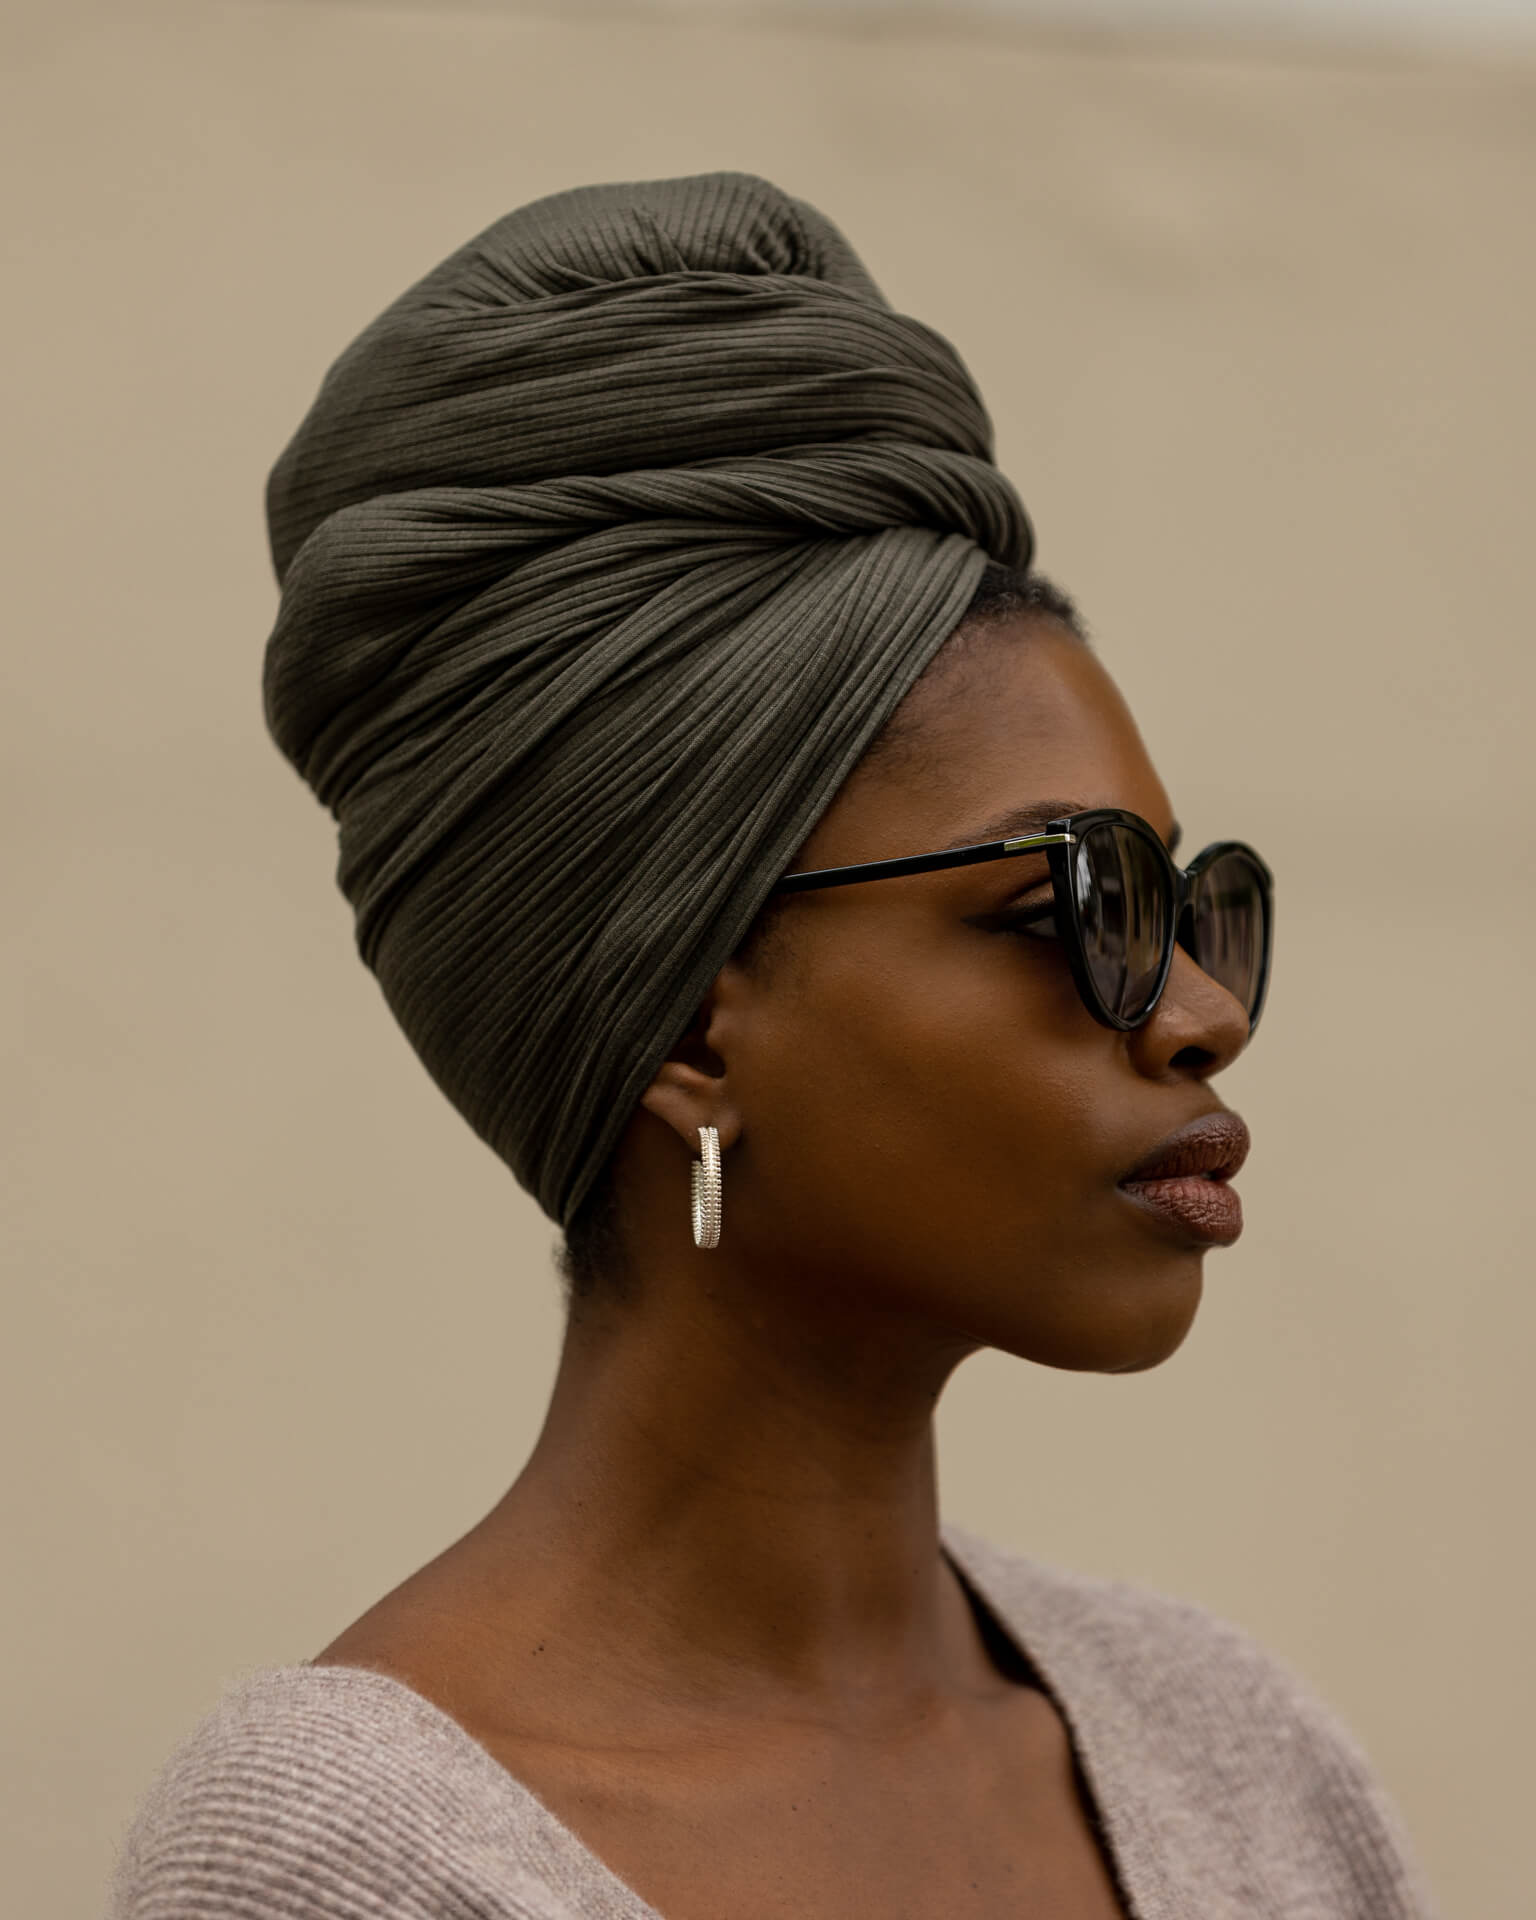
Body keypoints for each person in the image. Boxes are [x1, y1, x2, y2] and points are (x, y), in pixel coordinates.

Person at [108, 172, 1439, 1919]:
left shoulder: (1241, 1759)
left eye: (1190, 904)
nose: (1197, 1012)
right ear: (689, 1024)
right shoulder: (342, 1865)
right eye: (1075, 912)